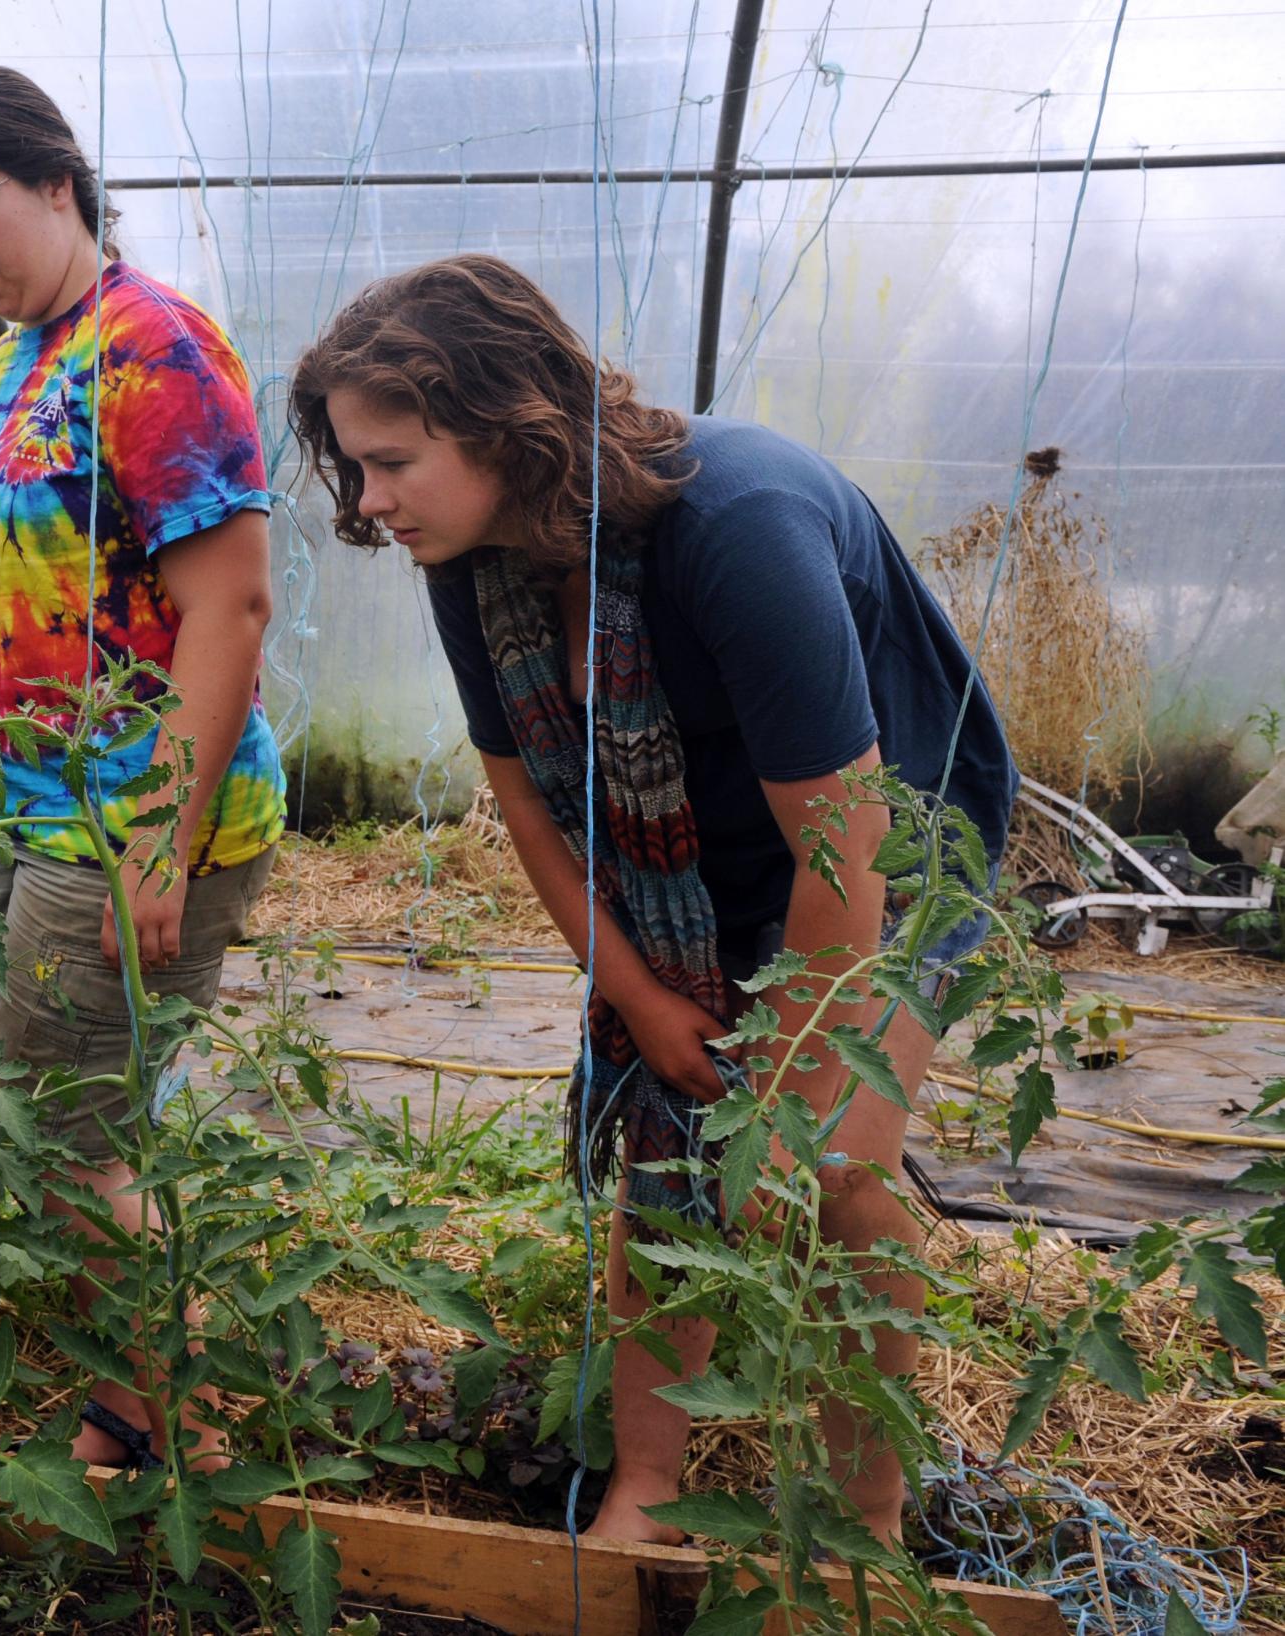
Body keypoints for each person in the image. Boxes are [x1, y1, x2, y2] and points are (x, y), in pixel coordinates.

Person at [288, 255, 1016, 1544]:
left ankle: (870, 1518)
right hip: (698, 846)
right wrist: (643, 999)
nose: (369, 498)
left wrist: (789, 1096)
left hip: (888, 832)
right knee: (668, 1141)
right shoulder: (475, 561)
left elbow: (843, 846)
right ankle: (648, 1487)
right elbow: (523, 802)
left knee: (833, 1166)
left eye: (391, 459)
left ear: (509, 421)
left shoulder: (734, 524)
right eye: (354, 466)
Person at [0, 66, 286, 1471]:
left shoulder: (151, 349)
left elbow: (227, 606)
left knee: (70, 1127)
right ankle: (125, 1359)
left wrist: (161, 839)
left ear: (60, 183)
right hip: (9, 809)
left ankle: (162, 1415)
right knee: (0, 1081)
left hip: (121, 816)